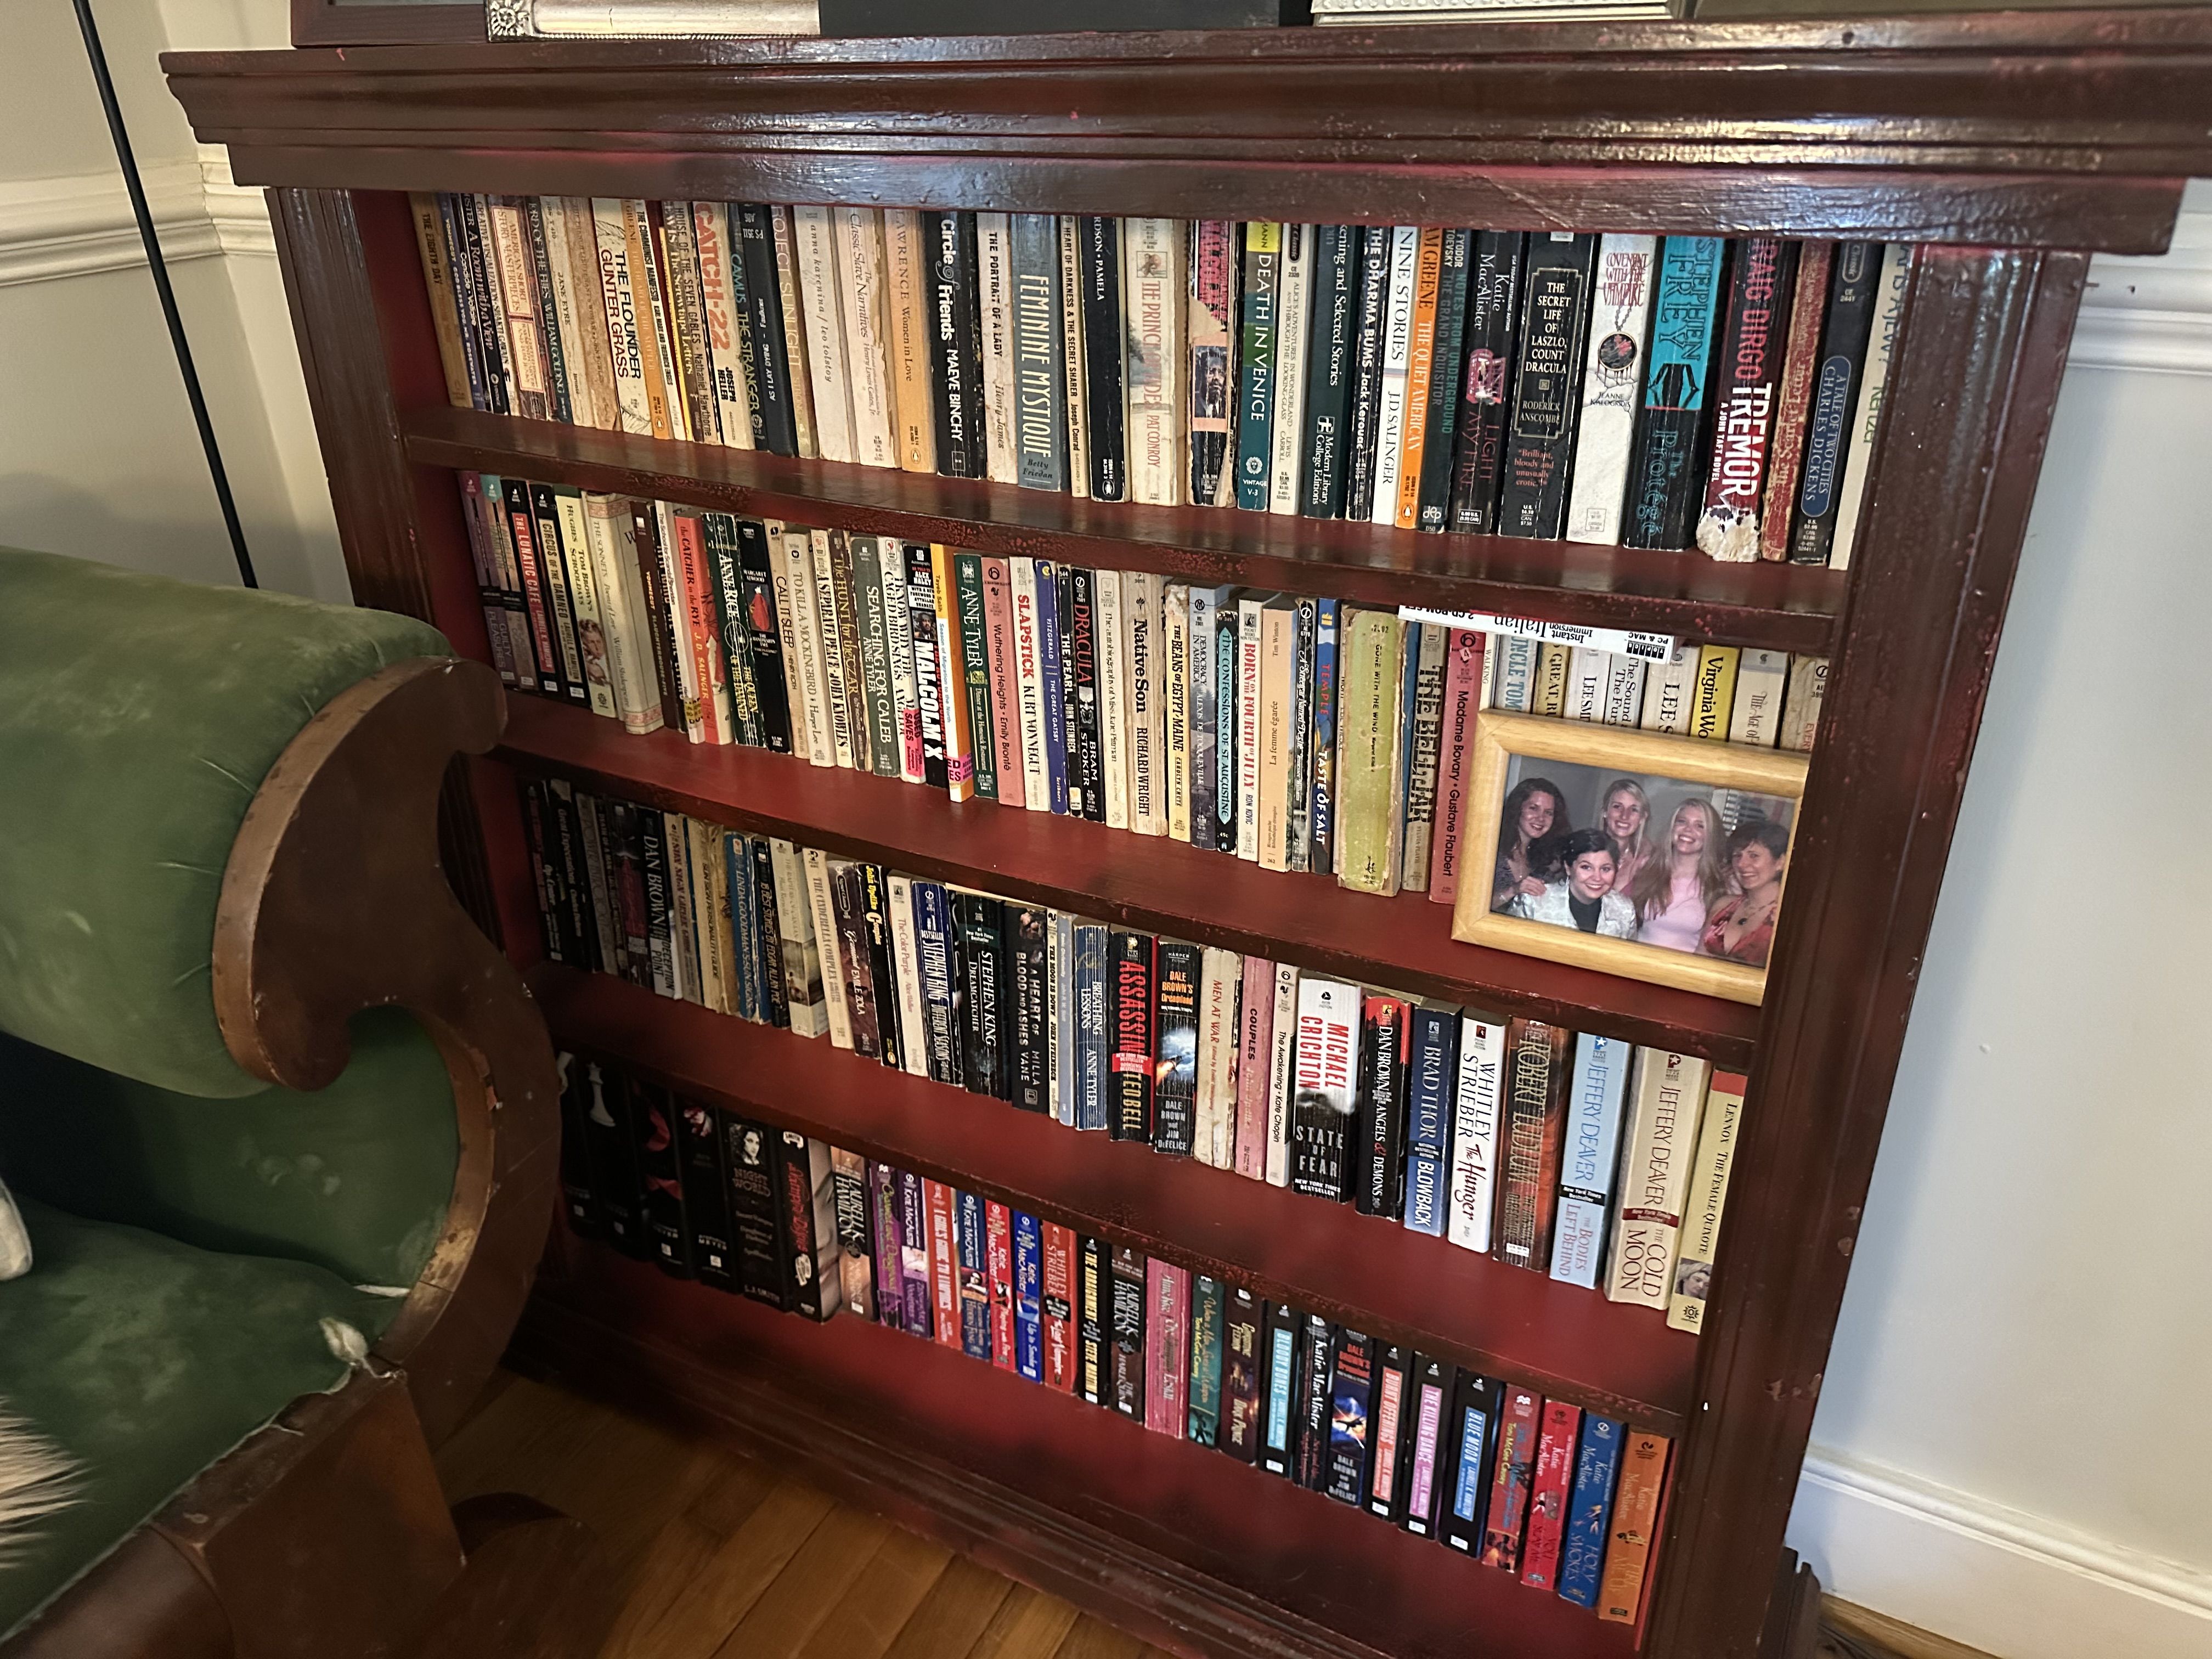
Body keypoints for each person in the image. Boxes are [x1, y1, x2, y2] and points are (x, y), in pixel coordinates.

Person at [1630, 798, 1730, 954]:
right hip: (1636, 965)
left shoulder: (1718, 885)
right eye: (1682, 822)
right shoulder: (1648, 867)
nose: (1688, 830)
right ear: (1672, 827)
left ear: (1710, 836)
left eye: (1700, 826)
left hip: (1678, 973)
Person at [1509, 828, 1637, 938]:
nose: (1597, 878)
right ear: (1568, 867)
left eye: (1606, 869)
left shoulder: (1624, 909)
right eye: (1586, 867)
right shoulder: (1534, 902)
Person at [1701, 818, 1790, 967]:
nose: (1742, 864)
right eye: (1737, 856)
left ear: (1780, 862)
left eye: (1754, 855)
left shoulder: (1787, 919)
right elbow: (1697, 961)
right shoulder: (1723, 905)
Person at [1491, 776, 1570, 913]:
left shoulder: (1549, 860)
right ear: (1517, 809)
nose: (1541, 818)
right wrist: (1513, 890)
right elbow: (1471, 907)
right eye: (1533, 808)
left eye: (1548, 813)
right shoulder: (1491, 848)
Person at [1599, 778, 1654, 896]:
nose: (1625, 816)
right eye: (1617, 807)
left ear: (1642, 818)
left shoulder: (1648, 862)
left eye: (1634, 810)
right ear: (1605, 812)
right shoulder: (1585, 852)